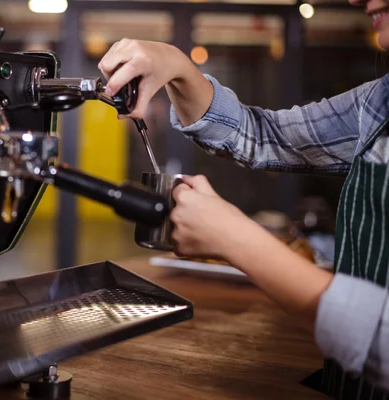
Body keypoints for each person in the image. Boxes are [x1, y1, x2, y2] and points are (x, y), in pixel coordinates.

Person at [98, 0, 389, 398]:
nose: (357, 0)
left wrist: (237, 240)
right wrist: (179, 68)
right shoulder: (380, 102)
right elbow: (264, 136)